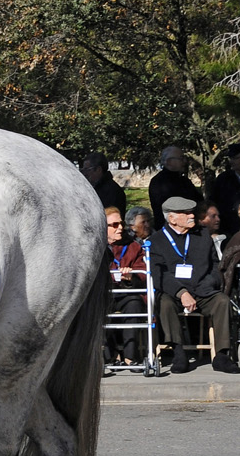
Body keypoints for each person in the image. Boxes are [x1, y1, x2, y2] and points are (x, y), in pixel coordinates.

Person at [149, 195, 239, 375]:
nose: (192, 216)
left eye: (192, 212)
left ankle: (221, 355)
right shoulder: (156, 241)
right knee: (165, 303)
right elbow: (160, 274)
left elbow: (215, 266)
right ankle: (178, 352)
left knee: (221, 301)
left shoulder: (202, 235)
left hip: (201, 289)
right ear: (172, 218)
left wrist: (205, 285)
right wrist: (181, 292)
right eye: (186, 213)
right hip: (174, 292)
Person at [105, 207, 147, 369]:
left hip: (126, 292)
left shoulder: (132, 246)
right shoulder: (96, 247)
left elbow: (142, 272)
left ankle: (130, 356)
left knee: (135, 304)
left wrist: (132, 276)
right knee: (97, 308)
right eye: (114, 225)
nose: (120, 228)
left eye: (121, 223)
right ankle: (110, 355)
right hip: (104, 294)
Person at [148, 146, 199, 230]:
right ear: (169, 162)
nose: (184, 162)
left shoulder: (184, 181)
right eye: (181, 158)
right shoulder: (159, 182)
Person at [80, 153, 126, 217]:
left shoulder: (112, 191)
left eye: (87, 170)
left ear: (98, 170)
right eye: (83, 170)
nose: (84, 174)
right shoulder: (91, 188)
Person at [212, 143, 240, 240]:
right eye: (231, 158)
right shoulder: (223, 179)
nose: (232, 162)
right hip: (229, 231)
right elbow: (214, 202)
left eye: (236, 158)